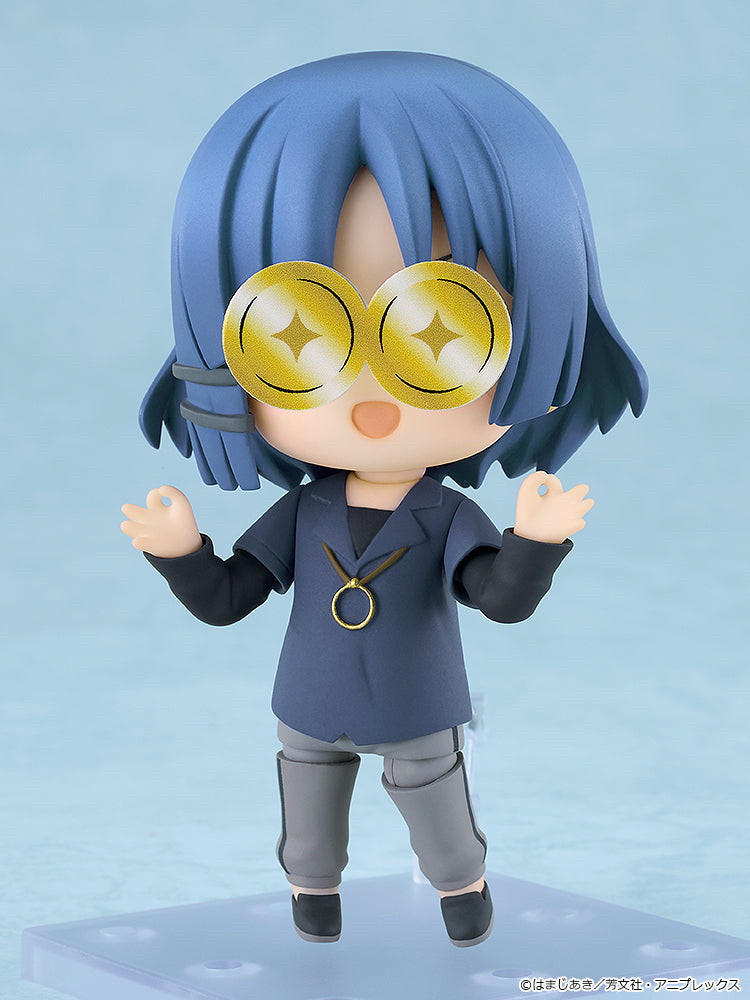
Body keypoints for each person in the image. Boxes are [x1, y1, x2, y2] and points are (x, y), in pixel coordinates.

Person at [121, 52, 647, 947]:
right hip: (310, 702)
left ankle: (462, 891)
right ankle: (311, 897)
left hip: (417, 704)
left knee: (436, 808)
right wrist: (181, 554)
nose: (370, 394)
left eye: (443, 331)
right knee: (307, 813)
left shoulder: (447, 516)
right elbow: (230, 598)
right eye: (294, 334)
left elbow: (499, 599)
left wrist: (535, 541)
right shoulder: (305, 512)